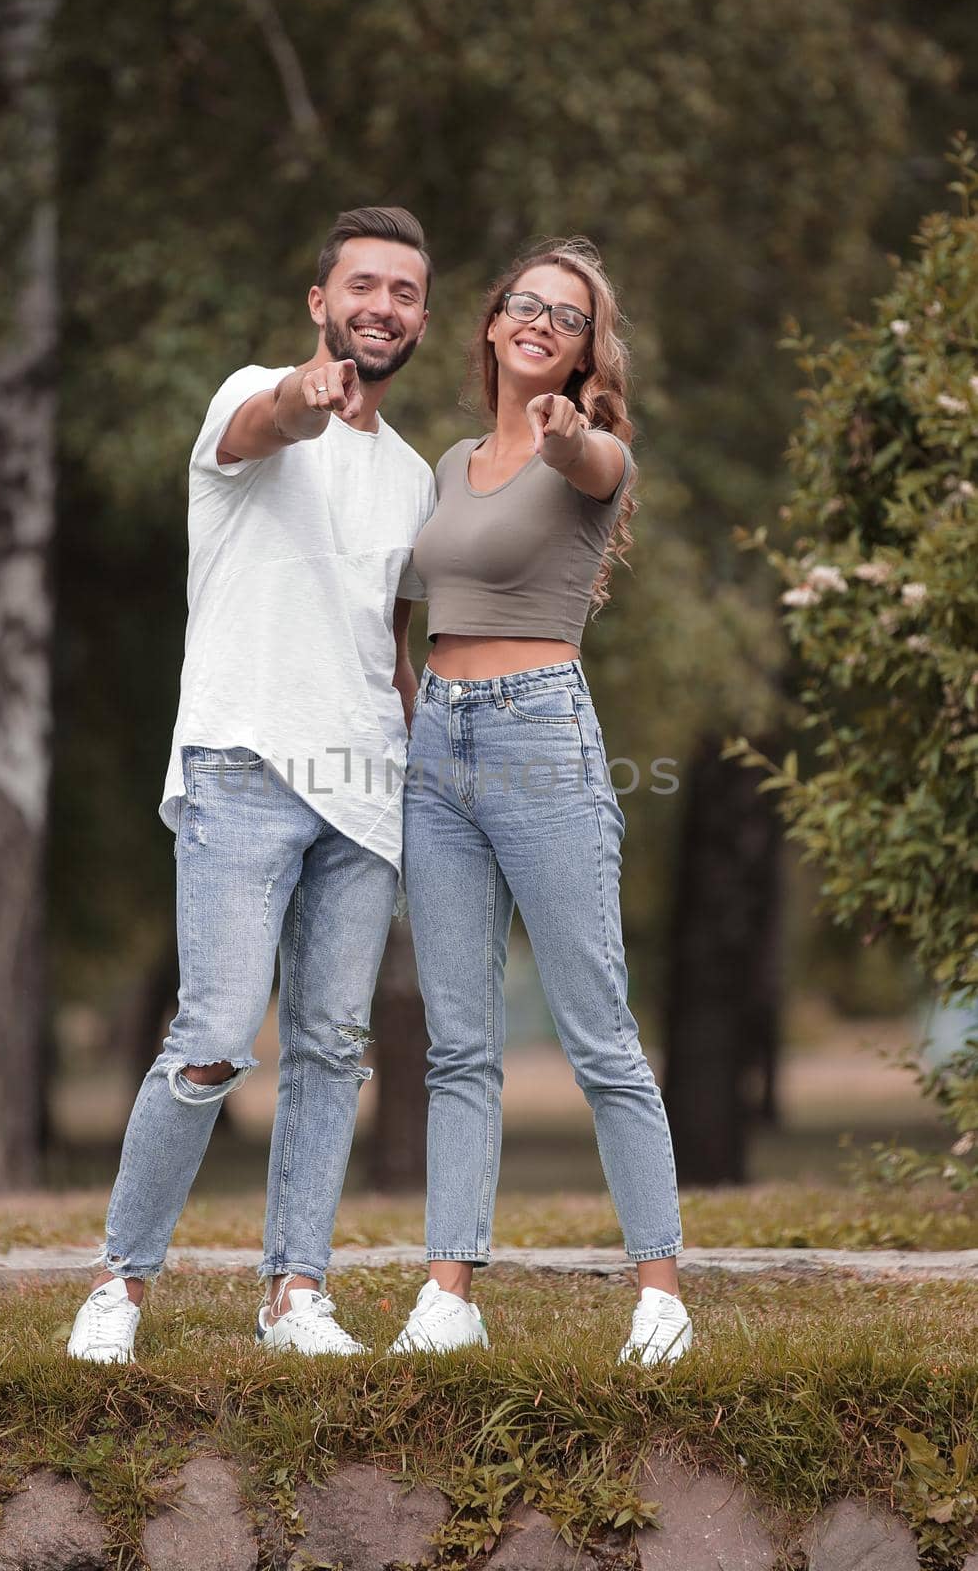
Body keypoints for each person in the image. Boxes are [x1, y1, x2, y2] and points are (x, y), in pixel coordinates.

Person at [67, 207, 435, 1364]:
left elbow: (391, 647)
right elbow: (263, 418)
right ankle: (120, 1285)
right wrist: (303, 395)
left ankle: (293, 1295)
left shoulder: (417, 477)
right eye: (362, 285)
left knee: (331, 1044)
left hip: (364, 788)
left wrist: (432, 772)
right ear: (319, 303)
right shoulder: (254, 398)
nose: (382, 305)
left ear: (420, 320)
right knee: (217, 1034)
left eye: (405, 292)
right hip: (241, 765)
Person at [389, 238, 692, 1366]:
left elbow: (595, 467)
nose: (536, 321)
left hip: (539, 736)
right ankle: (447, 1294)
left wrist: (568, 433)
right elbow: (407, 596)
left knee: (595, 1028)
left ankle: (658, 1291)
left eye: (562, 316)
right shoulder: (450, 458)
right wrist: (401, 683)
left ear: (581, 350)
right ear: (489, 324)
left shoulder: (591, 448)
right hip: (439, 752)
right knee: (457, 1041)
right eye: (522, 303)